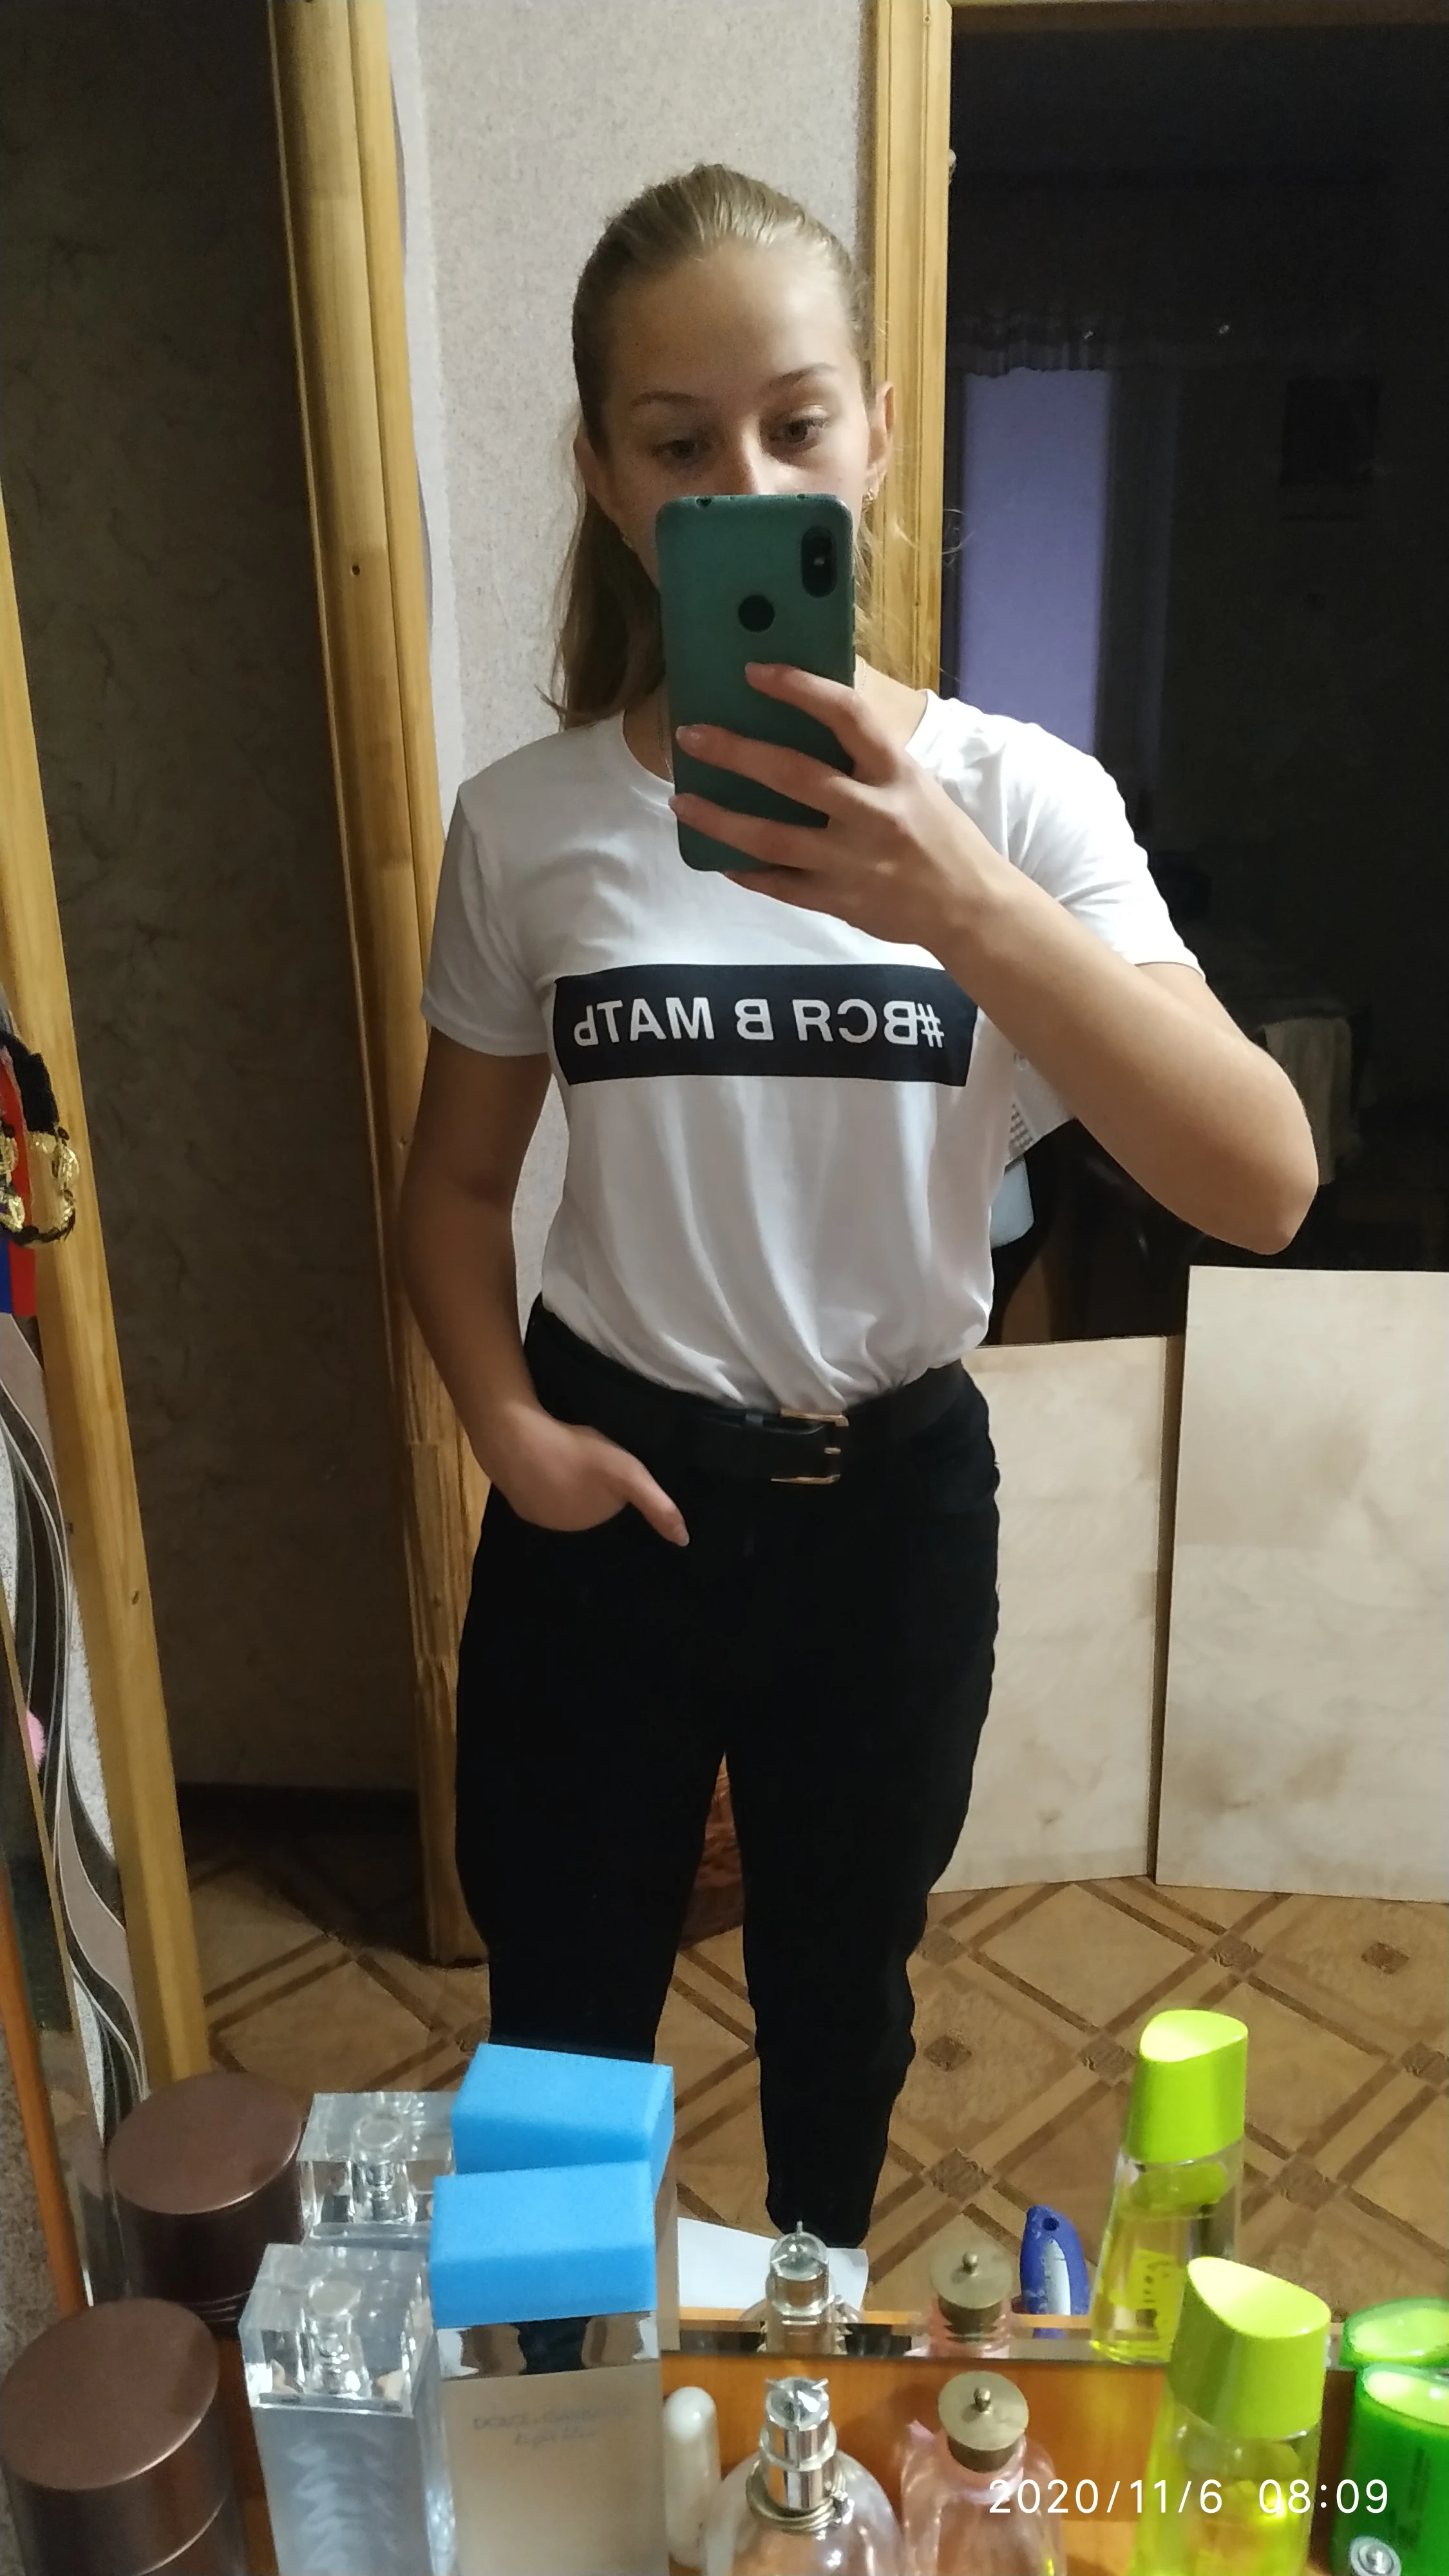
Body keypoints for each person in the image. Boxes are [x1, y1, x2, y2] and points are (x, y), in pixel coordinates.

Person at [399, 165, 1318, 2250]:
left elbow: (1261, 1182)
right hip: (606, 1500)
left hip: (889, 1519)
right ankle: (558, 2369)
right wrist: (509, 1433)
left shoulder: (1019, 802)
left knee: (843, 2002)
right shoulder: (529, 827)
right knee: (561, 2018)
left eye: (796, 424)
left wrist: (955, 897)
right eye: (678, 441)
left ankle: (806, 2350)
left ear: (875, 438)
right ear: (607, 478)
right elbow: (452, 1191)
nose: (746, 480)